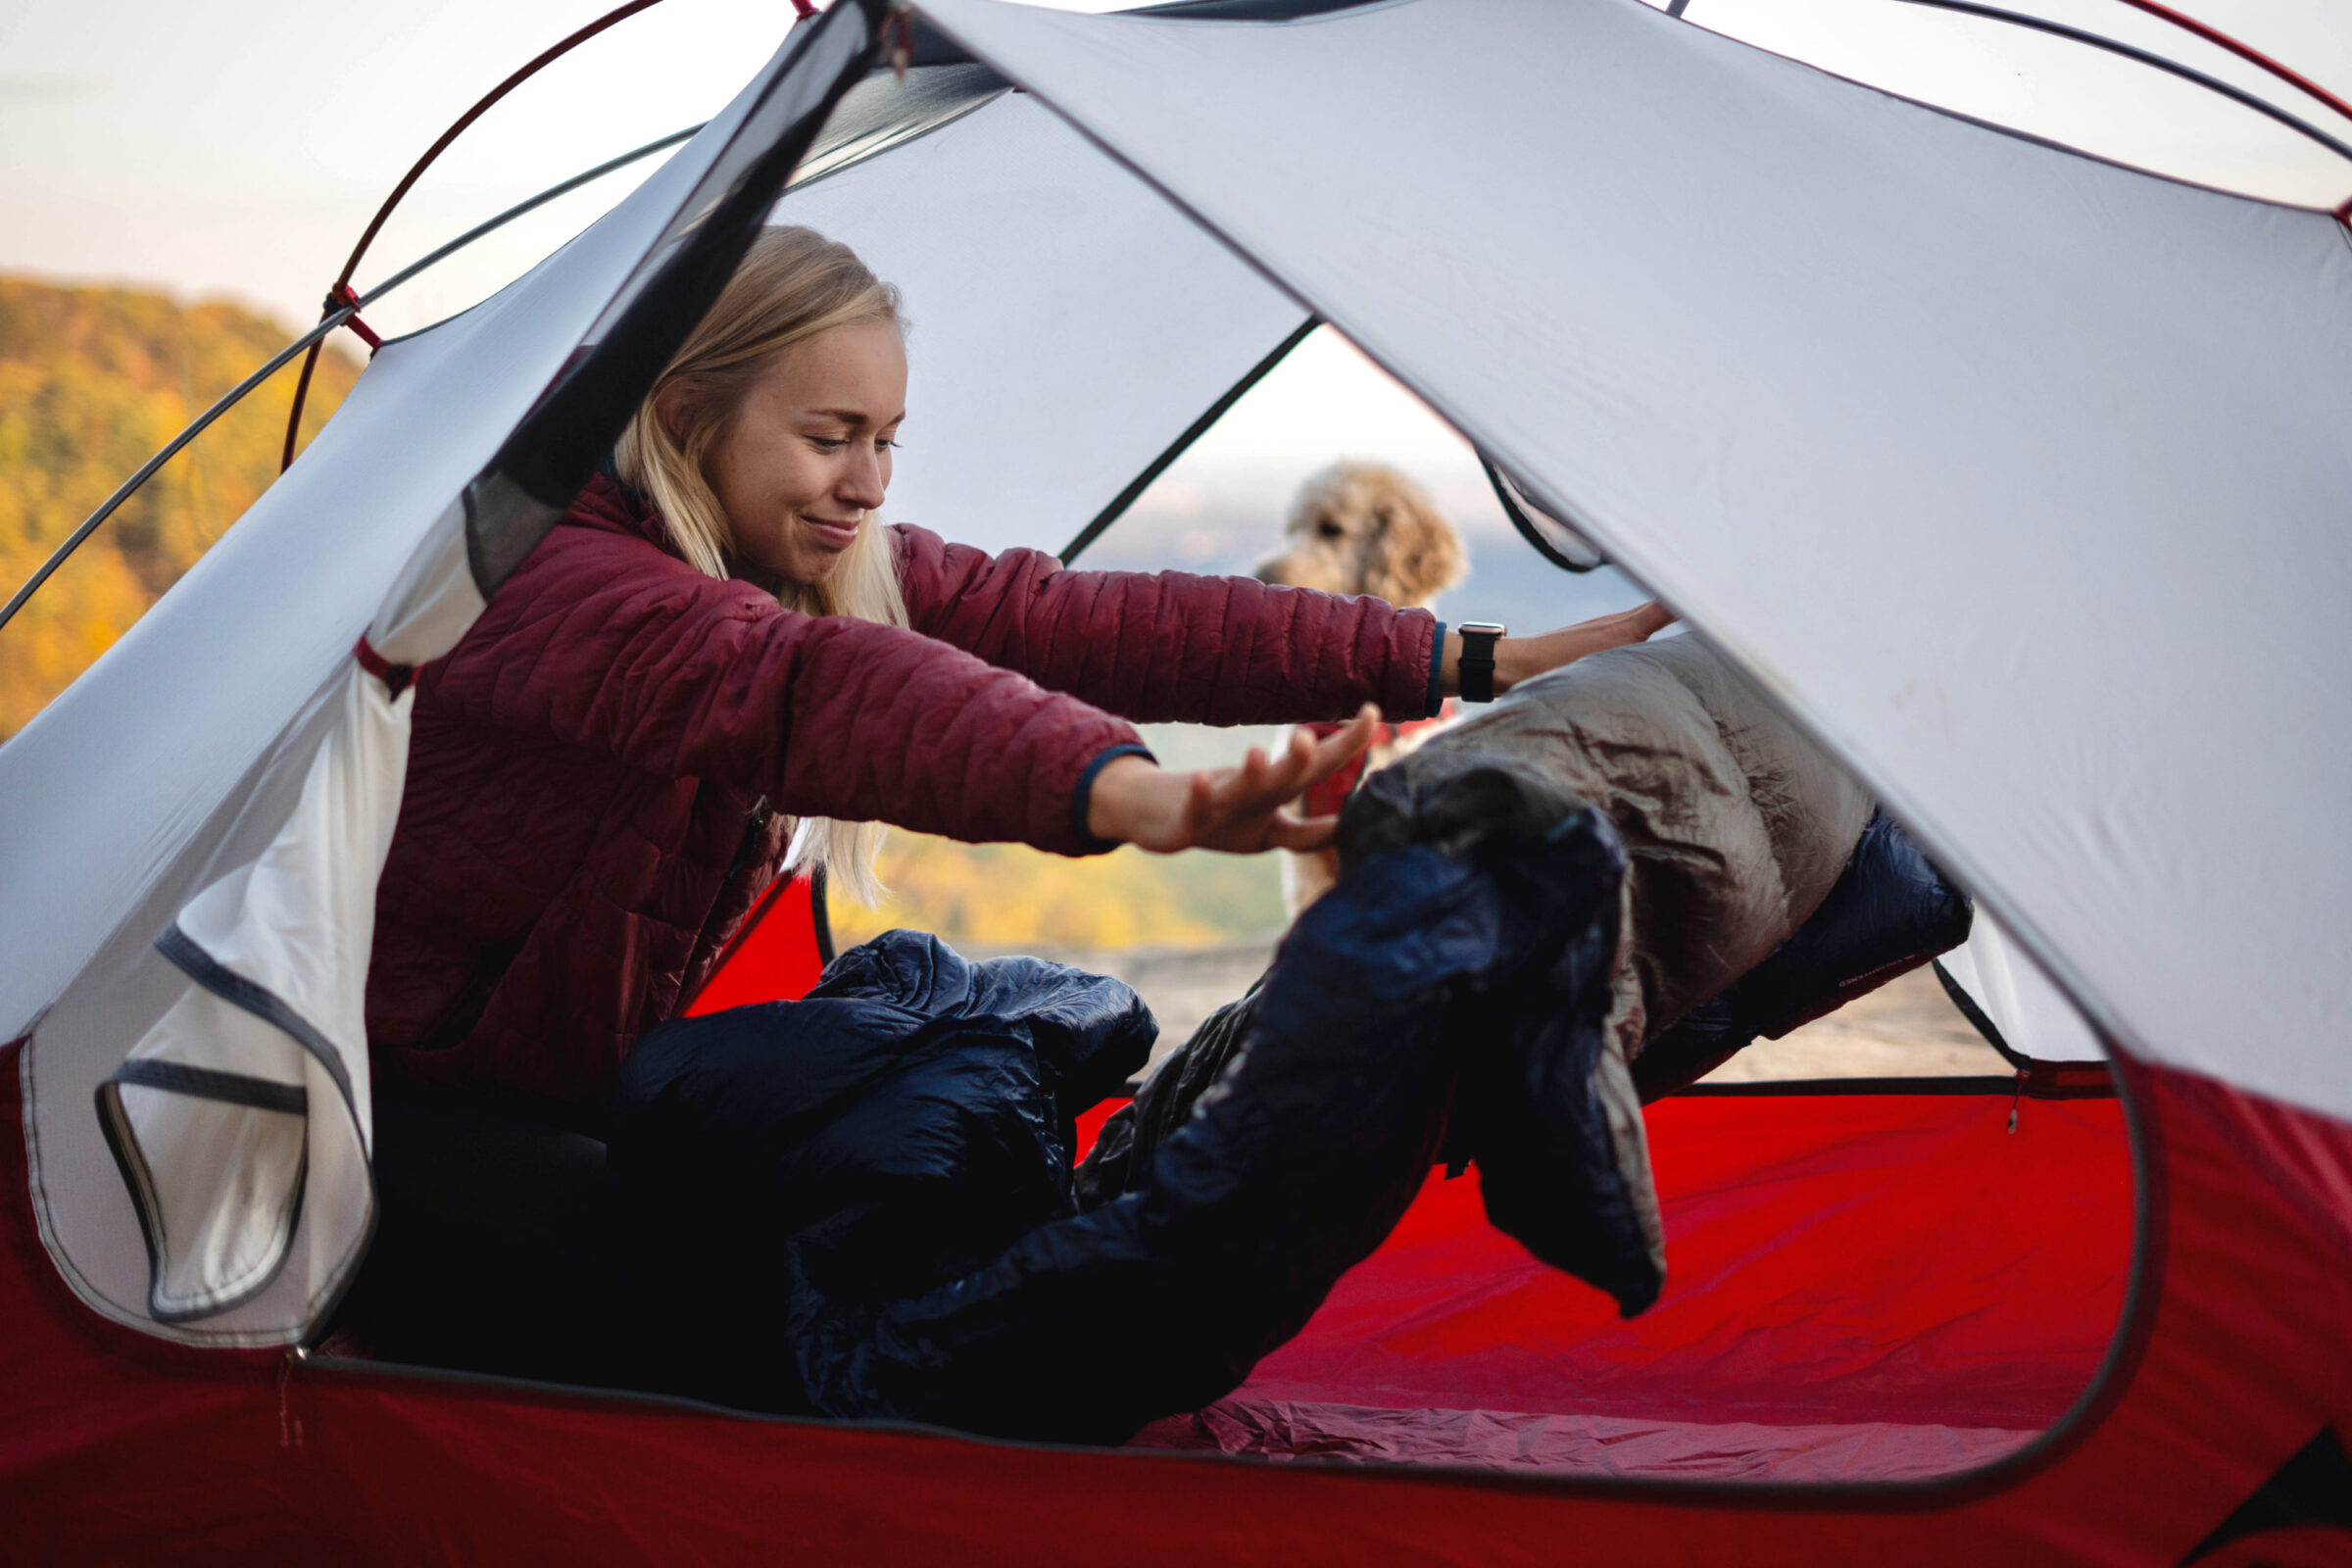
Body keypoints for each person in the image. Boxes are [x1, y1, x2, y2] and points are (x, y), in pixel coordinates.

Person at [345, 225, 1671, 1404]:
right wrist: (1126, 791)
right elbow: (795, 690)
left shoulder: (778, 554)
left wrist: (1475, 660)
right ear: (688, 417)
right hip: (376, 1120)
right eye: (828, 438)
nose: (868, 484)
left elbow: (1085, 623)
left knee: (892, 1240)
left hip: (558, 1100)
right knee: (784, 1338)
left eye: (886, 440)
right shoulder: (538, 575)